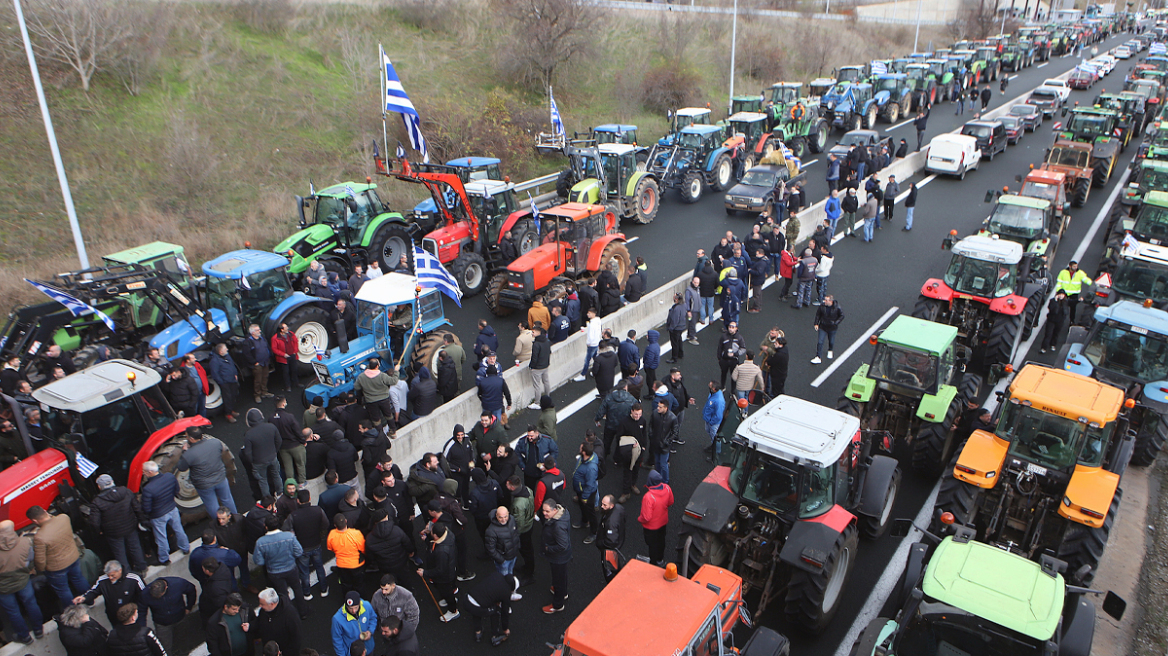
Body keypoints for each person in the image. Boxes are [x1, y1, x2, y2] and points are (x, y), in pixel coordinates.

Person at [26, 506, 89, 608]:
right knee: (79, 579)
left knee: (63, 590)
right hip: (73, 557)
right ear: (45, 511)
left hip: (56, 568)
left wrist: (41, 569)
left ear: (34, 521)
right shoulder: (64, 518)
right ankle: (89, 600)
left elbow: (40, 560)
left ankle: (73, 611)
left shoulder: (40, 537)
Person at [88, 475, 147, 575]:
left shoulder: (97, 502)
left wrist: (99, 531)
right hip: (130, 526)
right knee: (135, 547)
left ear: (99, 487)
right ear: (112, 481)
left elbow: (94, 522)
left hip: (113, 533)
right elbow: (137, 508)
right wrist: (143, 521)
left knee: (120, 554)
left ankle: (127, 574)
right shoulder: (126, 492)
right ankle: (142, 567)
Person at [254, 516, 308, 618]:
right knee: (297, 589)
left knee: (282, 593)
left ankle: (290, 614)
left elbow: (259, 561)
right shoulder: (289, 536)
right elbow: (299, 551)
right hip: (291, 568)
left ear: (265, 527)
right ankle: (303, 612)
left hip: (274, 572)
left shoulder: (261, 542)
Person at [0, 519, 42, 645]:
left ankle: (25, 637)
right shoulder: (24, 542)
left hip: (4, 588)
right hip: (24, 581)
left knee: (13, 612)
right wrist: (27, 571)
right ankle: (38, 630)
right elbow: (30, 561)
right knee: (31, 604)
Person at [140, 461, 190, 565]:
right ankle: (185, 548)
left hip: (158, 516)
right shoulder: (170, 477)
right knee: (179, 530)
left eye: (144, 471)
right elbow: (176, 490)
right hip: (172, 508)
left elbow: (147, 508)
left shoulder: (148, 489)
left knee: (161, 538)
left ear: (149, 472)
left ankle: (164, 559)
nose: (143, 473)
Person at [179, 427, 238, 514]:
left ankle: (219, 525)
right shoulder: (216, 442)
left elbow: (181, 467)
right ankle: (235, 518)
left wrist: (184, 451)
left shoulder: (188, 454)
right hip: (221, 478)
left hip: (204, 485)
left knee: (212, 505)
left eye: (186, 436)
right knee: (227, 499)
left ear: (191, 439)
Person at [76, 560, 145, 627]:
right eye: (108, 575)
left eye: (112, 575)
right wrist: (84, 598)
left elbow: (144, 593)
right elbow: (94, 591)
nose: (110, 578)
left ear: (120, 570)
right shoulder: (102, 580)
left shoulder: (133, 578)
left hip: (133, 615)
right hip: (114, 617)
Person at [140, 577, 196, 655]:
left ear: (166, 588)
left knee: (183, 640)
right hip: (162, 623)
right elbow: (141, 611)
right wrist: (142, 629)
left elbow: (191, 590)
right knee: (164, 646)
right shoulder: (145, 594)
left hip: (180, 617)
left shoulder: (178, 583)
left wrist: (189, 607)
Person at [417, 524, 460, 622]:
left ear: (436, 536)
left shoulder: (441, 552)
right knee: (448, 590)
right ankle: (450, 599)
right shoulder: (448, 535)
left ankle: (453, 610)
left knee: (446, 591)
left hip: (444, 577)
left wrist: (425, 573)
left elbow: (440, 570)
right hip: (450, 569)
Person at [464, 570, 515, 646]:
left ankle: (478, 632)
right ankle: (495, 636)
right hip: (477, 607)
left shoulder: (496, 575)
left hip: (467, 599)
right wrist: (505, 628)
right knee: (495, 611)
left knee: (477, 609)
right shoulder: (506, 592)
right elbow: (505, 612)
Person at [540, 499, 571, 614]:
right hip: (561, 556)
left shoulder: (557, 526)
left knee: (559, 578)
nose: (544, 513)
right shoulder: (563, 513)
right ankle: (563, 593)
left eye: (547, 511)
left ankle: (558, 604)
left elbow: (562, 545)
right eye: (543, 510)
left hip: (559, 557)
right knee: (562, 576)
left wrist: (548, 549)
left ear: (554, 510)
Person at [638, 470, 674, 567]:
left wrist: (639, 519)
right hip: (663, 522)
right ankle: (660, 560)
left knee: (652, 545)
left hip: (651, 527)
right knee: (661, 541)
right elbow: (671, 502)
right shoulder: (667, 488)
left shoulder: (649, 497)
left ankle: (653, 564)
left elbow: (646, 517)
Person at [253, 589, 304, 656]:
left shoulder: (290, 615)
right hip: (269, 650)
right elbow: (259, 622)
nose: (260, 606)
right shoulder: (264, 611)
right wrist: (250, 627)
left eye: (262, 604)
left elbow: (296, 638)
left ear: (271, 604)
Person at [327, 514, 366, 597]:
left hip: (342, 565)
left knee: (346, 584)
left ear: (334, 525)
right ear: (346, 521)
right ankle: (360, 600)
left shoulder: (332, 535)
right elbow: (363, 548)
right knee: (359, 585)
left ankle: (347, 600)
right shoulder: (356, 533)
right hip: (356, 565)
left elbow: (330, 548)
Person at [571, 441, 600, 539]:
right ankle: (584, 521)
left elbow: (590, 484)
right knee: (583, 508)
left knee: (591, 513)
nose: (579, 449)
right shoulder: (585, 459)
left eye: (581, 448)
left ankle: (594, 532)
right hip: (581, 490)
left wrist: (584, 497)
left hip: (587, 494)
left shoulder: (591, 468)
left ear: (584, 452)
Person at [484, 506, 520, 577]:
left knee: (510, 573)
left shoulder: (512, 519)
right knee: (504, 577)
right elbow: (490, 549)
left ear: (508, 514)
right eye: (500, 517)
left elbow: (516, 533)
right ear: (496, 515)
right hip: (504, 560)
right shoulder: (491, 531)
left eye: (505, 516)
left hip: (513, 555)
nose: (503, 519)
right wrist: (501, 560)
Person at [208, 343, 240, 422]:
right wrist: (222, 382)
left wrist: (235, 374)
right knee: (227, 398)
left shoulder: (227, 356)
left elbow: (232, 365)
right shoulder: (214, 361)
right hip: (225, 382)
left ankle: (231, 410)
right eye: (225, 349)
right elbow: (215, 374)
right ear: (220, 352)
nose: (227, 350)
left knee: (233, 395)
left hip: (232, 380)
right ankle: (228, 414)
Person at [812, 296, 845, 365]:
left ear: (831, 301)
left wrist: (835, 323)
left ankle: (830, 350)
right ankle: (818, 357)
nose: (824, 301)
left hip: (832, 328)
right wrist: (816, 324)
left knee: (831, 341)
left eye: (826, 300)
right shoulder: (822, 306)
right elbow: (818, 315)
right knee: (820, 342)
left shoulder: (837, 307)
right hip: (823, 326)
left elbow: (842, 315)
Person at [527, 325, 552, 409]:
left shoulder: (536, 344)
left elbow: (534, 357)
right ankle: (548, 396)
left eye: (533, 332)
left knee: (537, 385)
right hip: (545, 365)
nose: (532, 333)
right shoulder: (547, 341)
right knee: (546, 382)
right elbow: (549, 352)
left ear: (538, 332)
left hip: (537, 368)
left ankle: (537, 403)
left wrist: (531, 366)